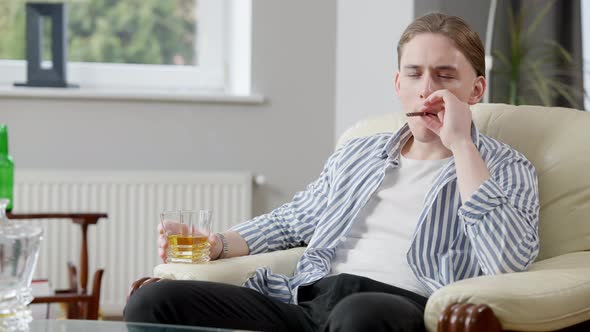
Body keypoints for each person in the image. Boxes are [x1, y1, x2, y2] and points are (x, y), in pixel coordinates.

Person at [125, 12, 539, 332]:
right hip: (308, 299)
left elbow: (506, 263)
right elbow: (293, 220)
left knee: (358, 313)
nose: (427, 89)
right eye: (414, 74)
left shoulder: (505, 166)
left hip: (399, 306)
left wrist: (462, 144)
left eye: (445, 75)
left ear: (477, 90)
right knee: (153, 301)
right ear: (398, 83)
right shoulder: (358, 153)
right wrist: (217, 244)